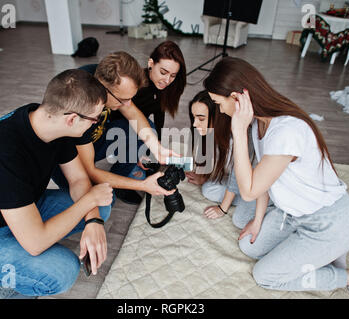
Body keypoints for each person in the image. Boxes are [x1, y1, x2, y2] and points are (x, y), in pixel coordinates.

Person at [203, 57, 349, 299]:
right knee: (249, 245)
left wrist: (237, 128)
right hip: (292, 215)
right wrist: (257, 221)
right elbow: (261, 179)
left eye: (218, 103)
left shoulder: (286, 131)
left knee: (266, 275)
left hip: (328, 224)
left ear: (236, 98)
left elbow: (249, 191)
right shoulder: (260, 125)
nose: (220, 110)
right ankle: (322, 254)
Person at [0, 69, 113, 298]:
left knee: (102, 207)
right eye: (96, 118)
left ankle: (21, 248)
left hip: (19, 207)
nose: (96, 123)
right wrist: (89, 201)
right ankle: (6, 280)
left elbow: (78, 179)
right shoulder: (3, 155)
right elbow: (36, 242)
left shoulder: (47, 120)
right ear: (72, 119)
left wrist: (94, 220)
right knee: (63, 271)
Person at [52, 51, 180, 207]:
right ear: (103, 89)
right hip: (67, 161)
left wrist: (157, 148)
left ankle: (118, 182)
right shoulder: (81, 103)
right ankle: (115, 184)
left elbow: (132, 112)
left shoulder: (102, 76)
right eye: (123, 99)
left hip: (92, 140)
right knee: (102, 204)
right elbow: (90, 170)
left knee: (147, 130)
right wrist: (142, 185)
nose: (128, 104)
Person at [104, 41, 186, 204]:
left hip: (134, 125)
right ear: (151, 63)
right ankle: (119, 184)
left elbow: (159, 112)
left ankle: (133, 158)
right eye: (163, 72)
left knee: (151, 146)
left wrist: (158, 143)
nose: (167, 80)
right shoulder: (136, 85)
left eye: (173, 75)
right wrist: (138, 147)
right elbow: (122, 114)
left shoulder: (163, 86)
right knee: (142, 136)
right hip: (115, 127)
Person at [186, 90, 257, 221]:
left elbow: (237, 174)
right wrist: (204, 177)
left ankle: (270, 205)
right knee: (208, 189)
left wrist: (222, 208)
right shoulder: (213, 133)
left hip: (256, 185)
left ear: (218, 116)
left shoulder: (239, 134)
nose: (195, 124)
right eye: (194, 117)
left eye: (201, 118)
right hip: (238, 181)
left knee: (241, 219)